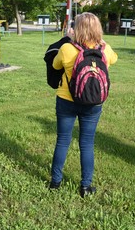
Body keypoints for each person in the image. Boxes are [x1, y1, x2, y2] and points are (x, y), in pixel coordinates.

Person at [49, 13, 118, 197]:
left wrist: (68, 39)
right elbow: (114, 59)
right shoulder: (105, 49)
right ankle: (85, 186)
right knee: (87, 143)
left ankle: (55, 182)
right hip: (93, 103)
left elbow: (55, 65)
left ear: (76, 28)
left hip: (66, 100)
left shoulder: (67, 48)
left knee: (63, 140)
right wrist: (101, 42)